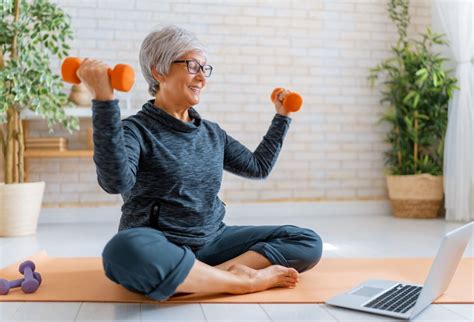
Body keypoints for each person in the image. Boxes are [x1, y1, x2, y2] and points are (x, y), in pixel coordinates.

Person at [76, 25, 323, 301]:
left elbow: (258, 166)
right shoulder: (135, 130)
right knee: (122, 250)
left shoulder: (211, 133)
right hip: (160, 244)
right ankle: (240, 281)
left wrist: (282, 115)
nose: (202, 78)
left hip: (213, 241)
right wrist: (104, 100)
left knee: (306, 241)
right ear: (159, 70)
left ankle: (203, 278)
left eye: (205, 69)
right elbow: (115, 182)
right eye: (193, 66)